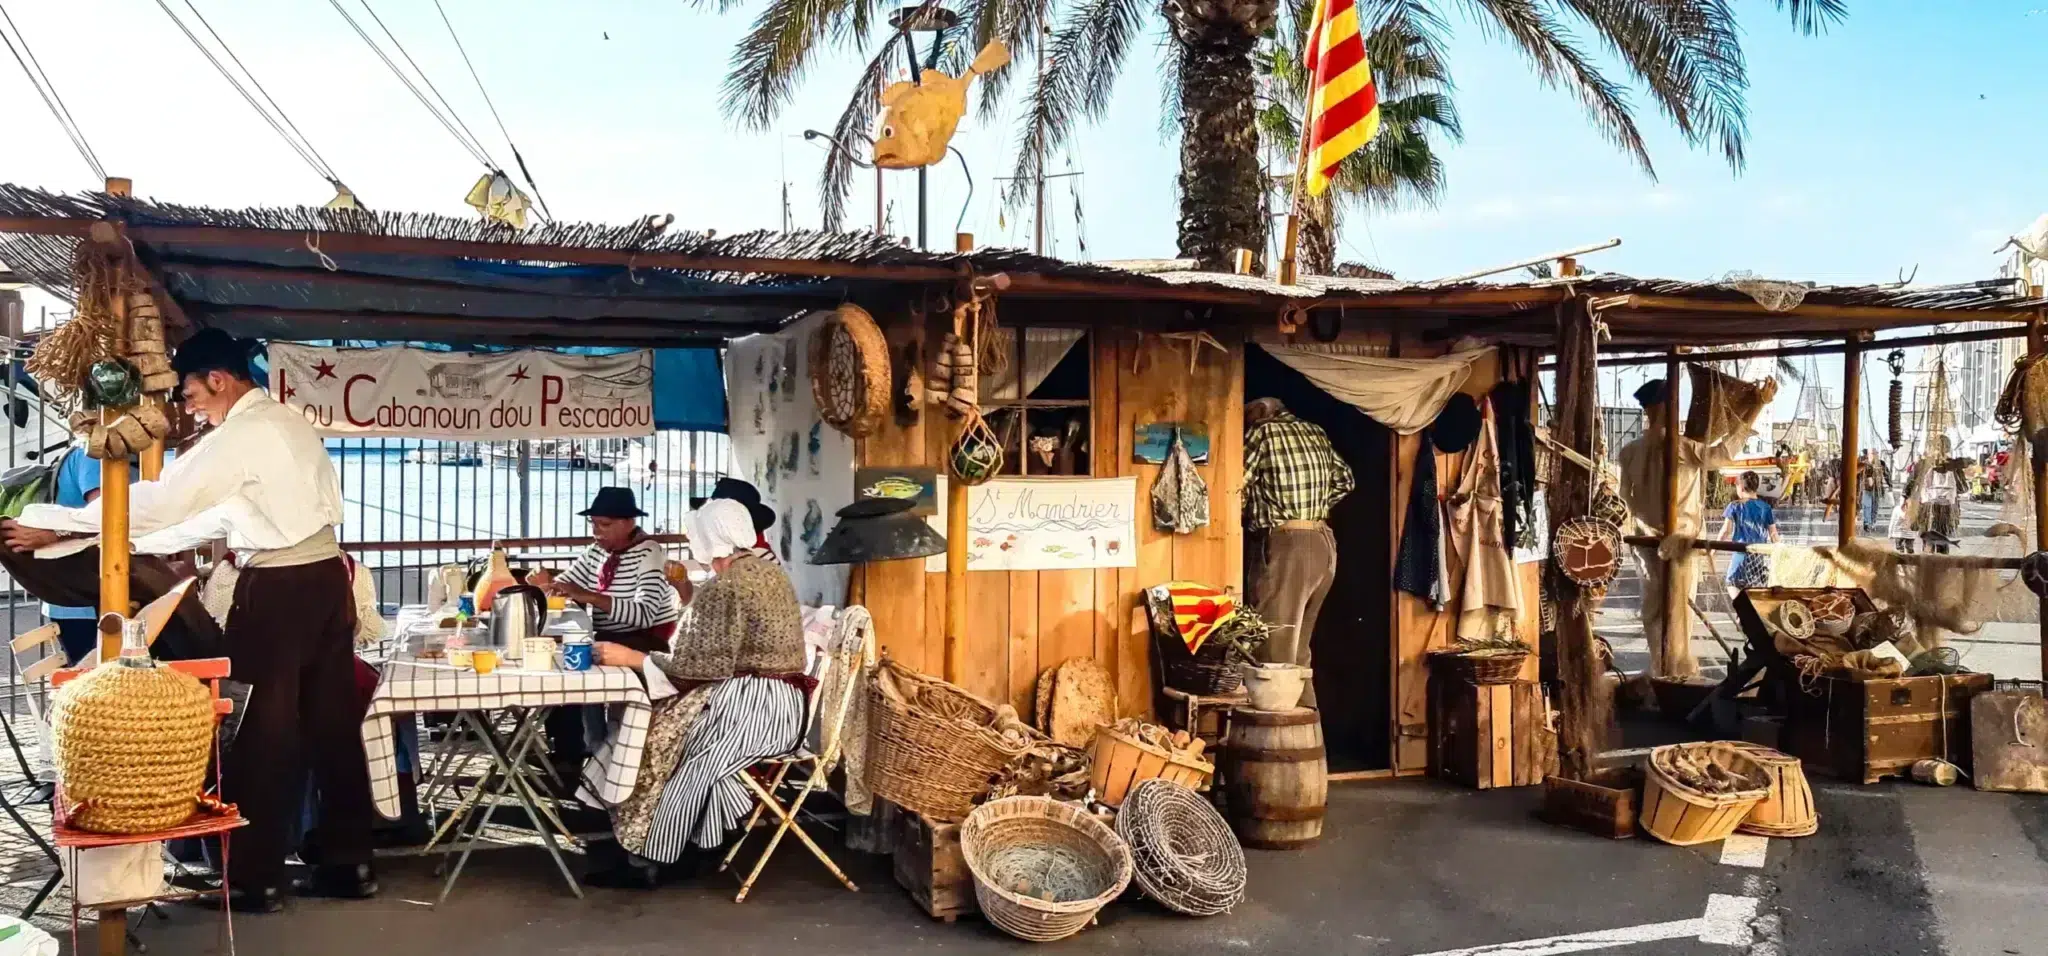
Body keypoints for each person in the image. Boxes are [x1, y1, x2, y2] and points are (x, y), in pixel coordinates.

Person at [0, 329, 373, 911]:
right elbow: (207, 517)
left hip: (279, 585)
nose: (187, 406)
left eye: (191, 392)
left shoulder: (244, 434)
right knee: (332, 723)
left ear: (219, 380)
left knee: (260, 730)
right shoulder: (287, 422)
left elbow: (164, 501)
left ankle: (256, 880)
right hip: (326, 578)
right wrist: (83, 529)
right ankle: (351, 865)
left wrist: (62, 526)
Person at [580, 498, 808, 888]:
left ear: (708, 538)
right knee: (660, 729)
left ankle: (651, 856)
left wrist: (632, 657)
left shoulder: (728, 585)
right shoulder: (769, 572)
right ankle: (672, 844)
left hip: (754, 709)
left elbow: (696, 667)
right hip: (783, 707)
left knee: (655, 741)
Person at [1615, 376, 1775, 678]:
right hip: (1678, 544)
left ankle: (1661, 669)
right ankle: (1673, 674)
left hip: (1646, 545)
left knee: (1653, 612)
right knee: (1677, 614)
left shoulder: (1629, 451)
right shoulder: (1678, 447)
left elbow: (1626, 499)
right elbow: (1721, 454)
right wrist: (1757, 409)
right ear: (1665, 408)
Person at [528, 487, 684, 772]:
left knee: (578, 672)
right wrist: (545, 585)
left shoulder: (649, 552)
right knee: (570, 669)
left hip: (645, 643)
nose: (597, 532)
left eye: (605, 525)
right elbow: (566, 583)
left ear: (629, 523)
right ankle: (588, 750)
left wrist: (587, 596)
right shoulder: (597, 552)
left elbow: (644, 615)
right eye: (594, 524)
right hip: (608, 640)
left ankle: (598, 755)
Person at [1241, 397, 1350, 708]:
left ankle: (1281, 746)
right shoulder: (1316, 432)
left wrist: (1251, 512)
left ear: (1261, 413)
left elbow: (1235, 484)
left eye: (1248, 419)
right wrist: (1311, 506)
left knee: (1274, 650)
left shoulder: (1263, 433)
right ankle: (1308, 733)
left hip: (1289, 544)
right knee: (1298, 651)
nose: (1248, 426)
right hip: (1322, 543)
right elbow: (1345, 481)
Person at [41, 445, 102, 665]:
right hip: (87, 599)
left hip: (68, 595)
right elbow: (104, 514)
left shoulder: (74, 454)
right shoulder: (92, 457)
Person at [1719, 471, 1779, 588]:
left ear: (1740, 487)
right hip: (1758, 556)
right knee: (1753, 588)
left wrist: (1712, 551)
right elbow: (1773, 534)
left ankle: (1742, 606)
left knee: (1732, 584)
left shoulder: (1735, 505)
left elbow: (1726, 531)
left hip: (1740, 554)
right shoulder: (1766, 507)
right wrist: (1781, 551)